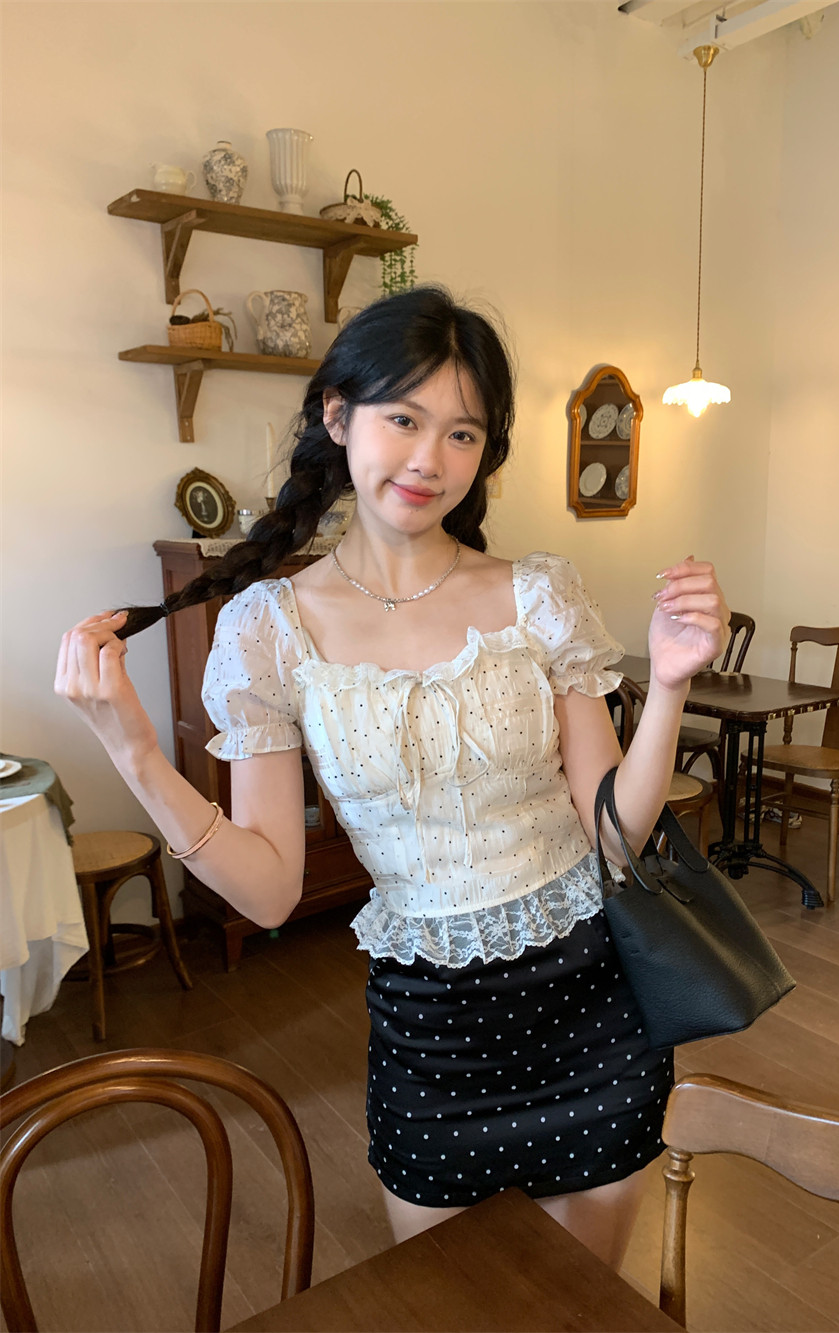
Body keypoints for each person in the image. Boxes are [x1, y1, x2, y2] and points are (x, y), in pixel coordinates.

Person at [56, 286, 728, 1269]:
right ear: (338, 415)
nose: (428, 459)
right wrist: (135, 753)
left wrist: (668, 685)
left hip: (590, 1012)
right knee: (442, 1303)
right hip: (431, 1035)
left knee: (585, 1306)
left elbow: (614, 838)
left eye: (463, 433)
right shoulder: (268, 630)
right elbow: (271, 892)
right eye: (403, 419)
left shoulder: (537, 594)